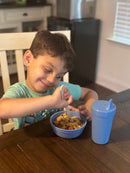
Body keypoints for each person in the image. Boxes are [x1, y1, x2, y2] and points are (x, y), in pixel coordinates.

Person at [0, 30, 98, 129]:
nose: (52, 80)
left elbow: (90, 93)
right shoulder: (19, 91)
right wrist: (50, 101)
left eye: (59, 76)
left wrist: (89, 109)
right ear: (28, 59)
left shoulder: (60, 88)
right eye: (47, 70)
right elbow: (2, 109)